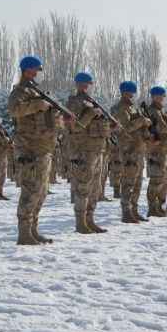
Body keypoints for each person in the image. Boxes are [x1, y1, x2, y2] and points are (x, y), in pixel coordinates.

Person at [6, 56, 66, 244]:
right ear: (27, 70)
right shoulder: (20, 91)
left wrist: (57, 116)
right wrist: (38, 105)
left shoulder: (38, 91)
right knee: (30, 190)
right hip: (29, 148)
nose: (38, 73)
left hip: (44, 147)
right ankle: (24, 233)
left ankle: (33, 229)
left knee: (41, 191)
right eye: (36, 69)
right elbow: (14, 110)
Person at [65, 72, 112, 233]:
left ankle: (90, 219)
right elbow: (75, 127)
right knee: (83, 187)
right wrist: (91, 114)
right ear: (80, 84)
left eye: (90, 84)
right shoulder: (74, 103)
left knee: (95, 188)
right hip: (83, 151)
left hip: (97, 150)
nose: (89, 86)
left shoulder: (92, 102)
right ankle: (80, 223)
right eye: (87, 84)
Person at [114, 82, 153, 222]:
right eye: (129, 92)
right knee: (128, 182)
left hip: (138, 148)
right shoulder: (120, 109)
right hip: (128, 149)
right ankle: (126, 212)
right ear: (124, 92)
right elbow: (125, 128)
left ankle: (134, 210)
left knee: (137, 183)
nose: (131, 95)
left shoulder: (132, 108)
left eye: (132, 93)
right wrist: (142, 121)